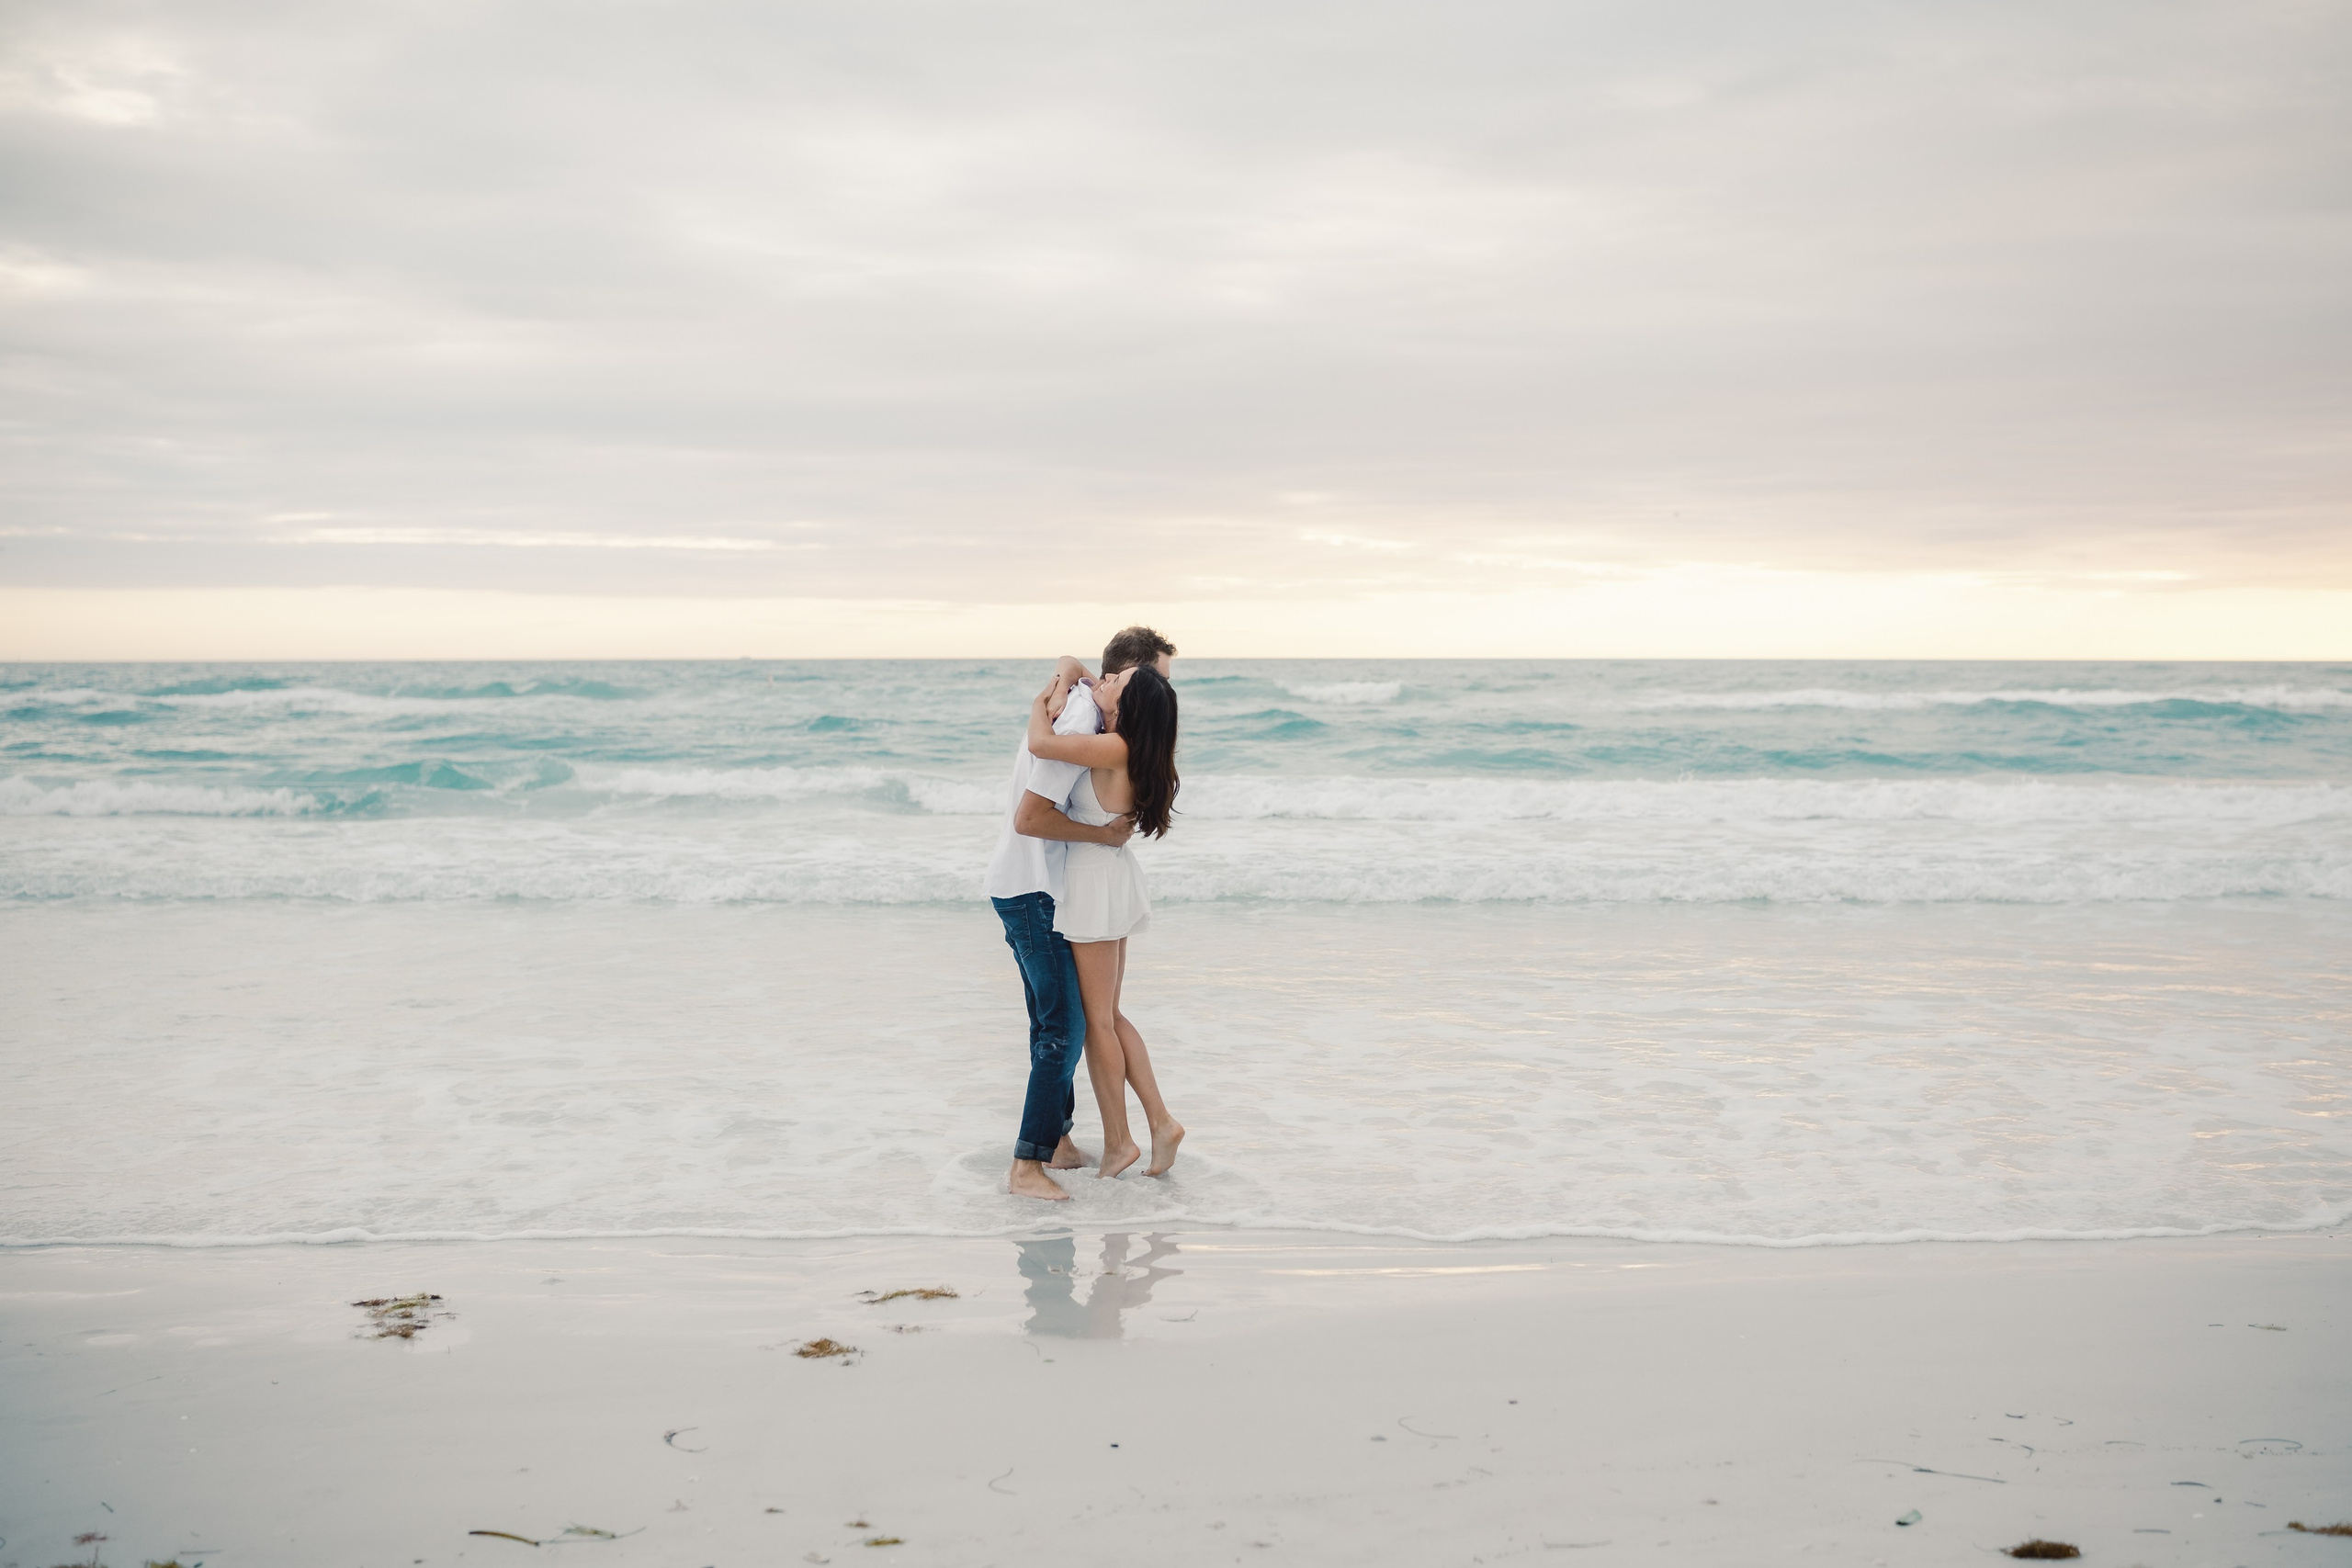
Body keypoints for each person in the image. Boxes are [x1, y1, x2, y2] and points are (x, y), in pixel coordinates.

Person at [984, 626, 1177, 1201]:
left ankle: (1089, 1141)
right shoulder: (1087, 723)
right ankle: (1070, 1146)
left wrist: (1062, 681)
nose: (1168, 694)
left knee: (1076, 1023)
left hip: (1078, 884)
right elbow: (1030, 815)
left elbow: (1045, 749)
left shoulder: (1103, 732)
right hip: (1054, 885)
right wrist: (1069, 674)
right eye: (1156, 680)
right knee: (1077, 1023)